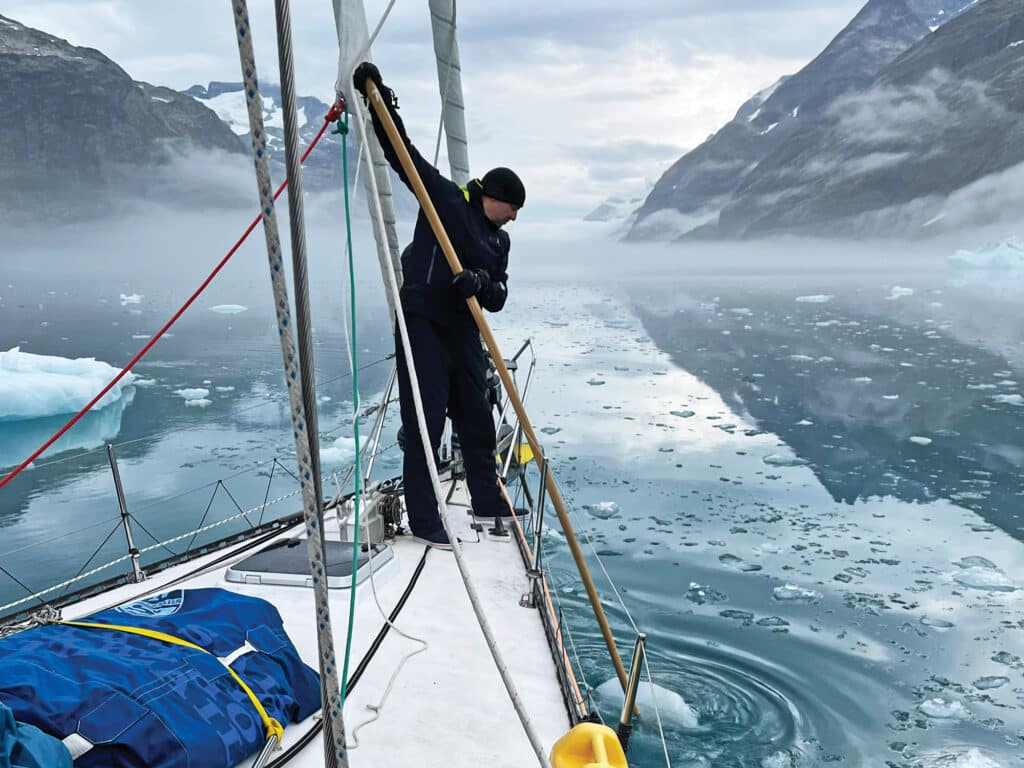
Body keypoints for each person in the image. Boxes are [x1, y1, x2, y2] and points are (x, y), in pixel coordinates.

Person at [353, 62, 526, 550]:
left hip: (463, 330)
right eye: (513, 206)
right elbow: (403, 158)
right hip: (423, 320)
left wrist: (479, 282)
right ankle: (425, 518)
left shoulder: (499, 244)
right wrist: (379, 102)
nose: (515, 216)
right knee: (426, 419)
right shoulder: (447, 201)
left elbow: (498, 297)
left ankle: (487, 498)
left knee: (476, 415)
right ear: (495, 197)